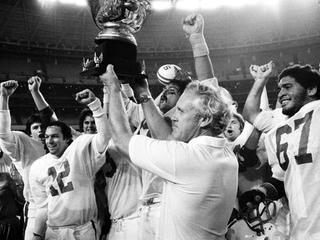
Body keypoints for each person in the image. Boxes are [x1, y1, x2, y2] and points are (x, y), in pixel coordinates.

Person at [101, 64, 238, 240]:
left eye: (181, 111)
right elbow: (169, 140)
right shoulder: (225, 153)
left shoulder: (187, 158)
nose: (173, 116)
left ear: (205, 119)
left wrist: (112, 88)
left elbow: (121, 140)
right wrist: (144, 95)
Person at [239, 63, 320, 239]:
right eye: (279, 88)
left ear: (312, 89)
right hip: (302, 229)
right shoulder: (280, 123)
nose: (281, 93)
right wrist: (262, 192)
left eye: (288, 87)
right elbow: (282, 178)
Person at [29, 88, 110, 240]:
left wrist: (95, 105)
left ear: (67, 139)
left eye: (54, 137)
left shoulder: (80, 147)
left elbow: (104, 136)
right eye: (47, 137)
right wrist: (37, 234)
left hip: (84, 227)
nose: (49, 141)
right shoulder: (38, 166)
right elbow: (42, 207)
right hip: (54, 231)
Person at [0, 79, 49, 240]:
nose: (40, 130)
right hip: (37, 207)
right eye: (35, 127)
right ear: (29, 132)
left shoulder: (61, 145)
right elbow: (4, 134)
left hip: (64, 207)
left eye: (43, 126)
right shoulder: (24, 143)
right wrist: (4, 98)